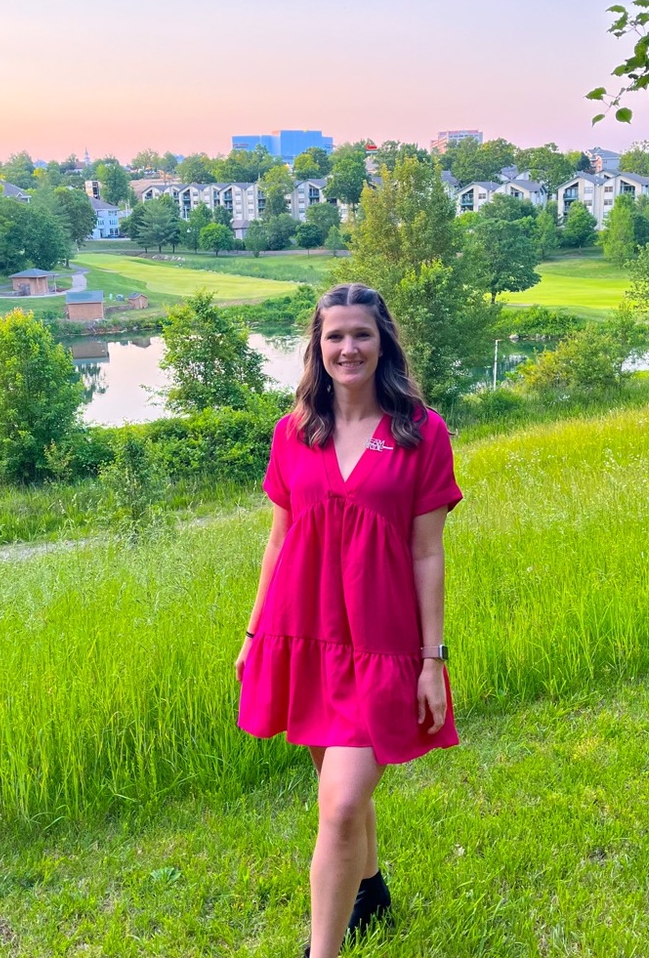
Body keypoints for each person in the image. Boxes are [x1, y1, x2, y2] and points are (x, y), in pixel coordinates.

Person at [235, 283, 462, 958]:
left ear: (383, 340)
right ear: (317, 345)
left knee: (337, 806)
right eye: (334, 336)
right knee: (337, 792)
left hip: (384, 645)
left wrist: (431, 659)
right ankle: (371, 886)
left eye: (361, 334)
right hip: (301, 635)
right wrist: (253, 636)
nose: (348, 348)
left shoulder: (421, 432)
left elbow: (427, 553)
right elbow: (279, 539)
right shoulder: (293, 431)